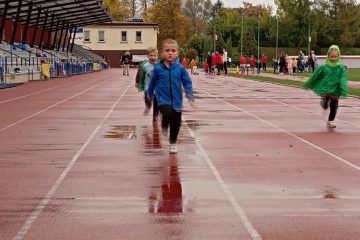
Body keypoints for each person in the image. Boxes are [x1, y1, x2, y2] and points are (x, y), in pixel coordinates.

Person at [147, 39, 195, 154]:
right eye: (167, 50)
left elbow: (187, 82)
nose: (170, 53)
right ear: (162, 53)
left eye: (173, 50)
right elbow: (152, 82)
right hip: (163, 99)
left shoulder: (180, 68)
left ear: (177, 53)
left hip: (177, 101)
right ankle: (164, 124)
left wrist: (189, 95)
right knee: (167, 112)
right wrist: (149, 95)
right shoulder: (158, 68)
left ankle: (173, 143)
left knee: (176, 123)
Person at [304, 45, 348, 128]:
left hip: (336, 90)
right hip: (326, 88)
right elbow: (315, 76)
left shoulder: (341, 68)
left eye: (335, 56)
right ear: (328, 56)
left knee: (334, 106)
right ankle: (324, 101)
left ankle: (330, 121)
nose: (334, 58)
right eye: (332, 56)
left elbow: (343, 79)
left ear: (338, 56)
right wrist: (309, 83)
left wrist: (343, 88)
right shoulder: (324, 67)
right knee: (325, 104)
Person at [135, 47, 159, 123]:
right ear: (147, 56)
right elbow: (139, 74)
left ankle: (155, 115)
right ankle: (148, 105)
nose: (153, 57)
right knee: (147, 97)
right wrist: (137, 82)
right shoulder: (144, 65)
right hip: (147, 85)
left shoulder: (160, 65)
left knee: (157, 101)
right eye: (151, 55)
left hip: (157, 86)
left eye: (154, 56)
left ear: (157, 56)